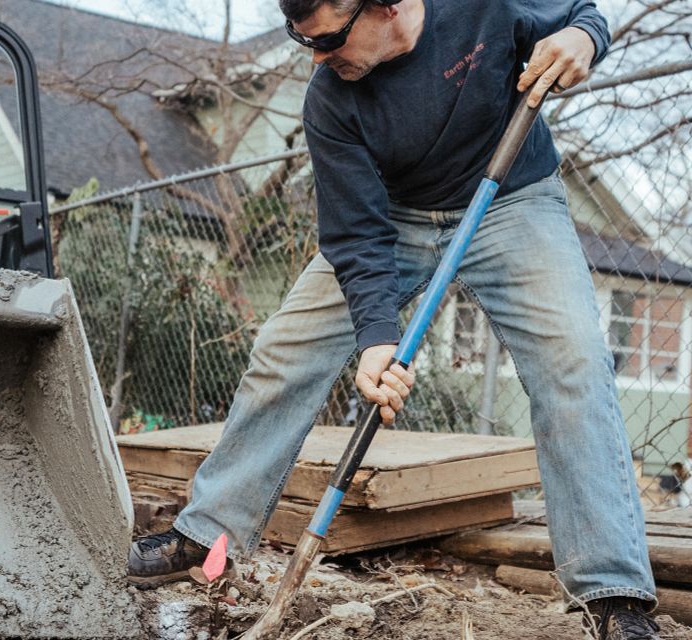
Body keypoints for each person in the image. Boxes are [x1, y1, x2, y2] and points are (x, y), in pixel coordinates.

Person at [129, 0, 660, 637]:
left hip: (511, 203)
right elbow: (355, 234)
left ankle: (614, 594)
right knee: (284, 349)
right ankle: (207, 534)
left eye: (328, 41)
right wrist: (377, 339)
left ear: (386, 5)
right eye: (306, 46)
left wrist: (584, 36)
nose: (320, 61)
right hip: (395, 220)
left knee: (573, 361)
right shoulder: (330, 97)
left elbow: (579, 12)